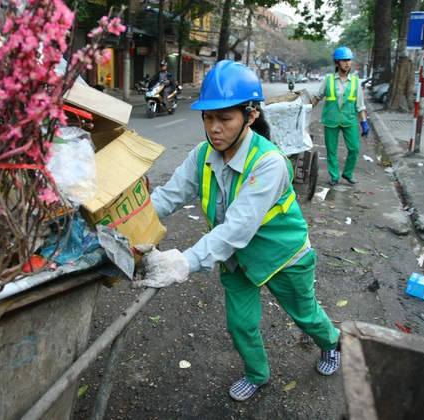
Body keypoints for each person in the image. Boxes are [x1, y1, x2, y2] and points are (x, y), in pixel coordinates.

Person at [133, 60, 341, 402]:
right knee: (240, 324)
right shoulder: (202, 155)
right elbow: (167, 197)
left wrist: (183, 262)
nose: (214, 128)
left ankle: (331, 343)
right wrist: (130, 226)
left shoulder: (269, 163)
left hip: (282, 257)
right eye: (208, 117)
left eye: (225, 118)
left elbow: (237, 228)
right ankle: (257, 374)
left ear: (250, 115)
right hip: (235, 259)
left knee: (305, 314)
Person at [311, 46, 369, 186]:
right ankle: (334, 176)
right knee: (331, 150)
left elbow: (359, 104)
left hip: (349, 120)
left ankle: (348, 173)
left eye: (349, 60)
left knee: (354, 148)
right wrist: (305, 110)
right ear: (337, 63)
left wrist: (364, 121)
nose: (347, 63)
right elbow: (318, 97)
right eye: (344, 60)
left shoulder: (355, 81)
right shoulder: (329, 80)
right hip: (331, 120)